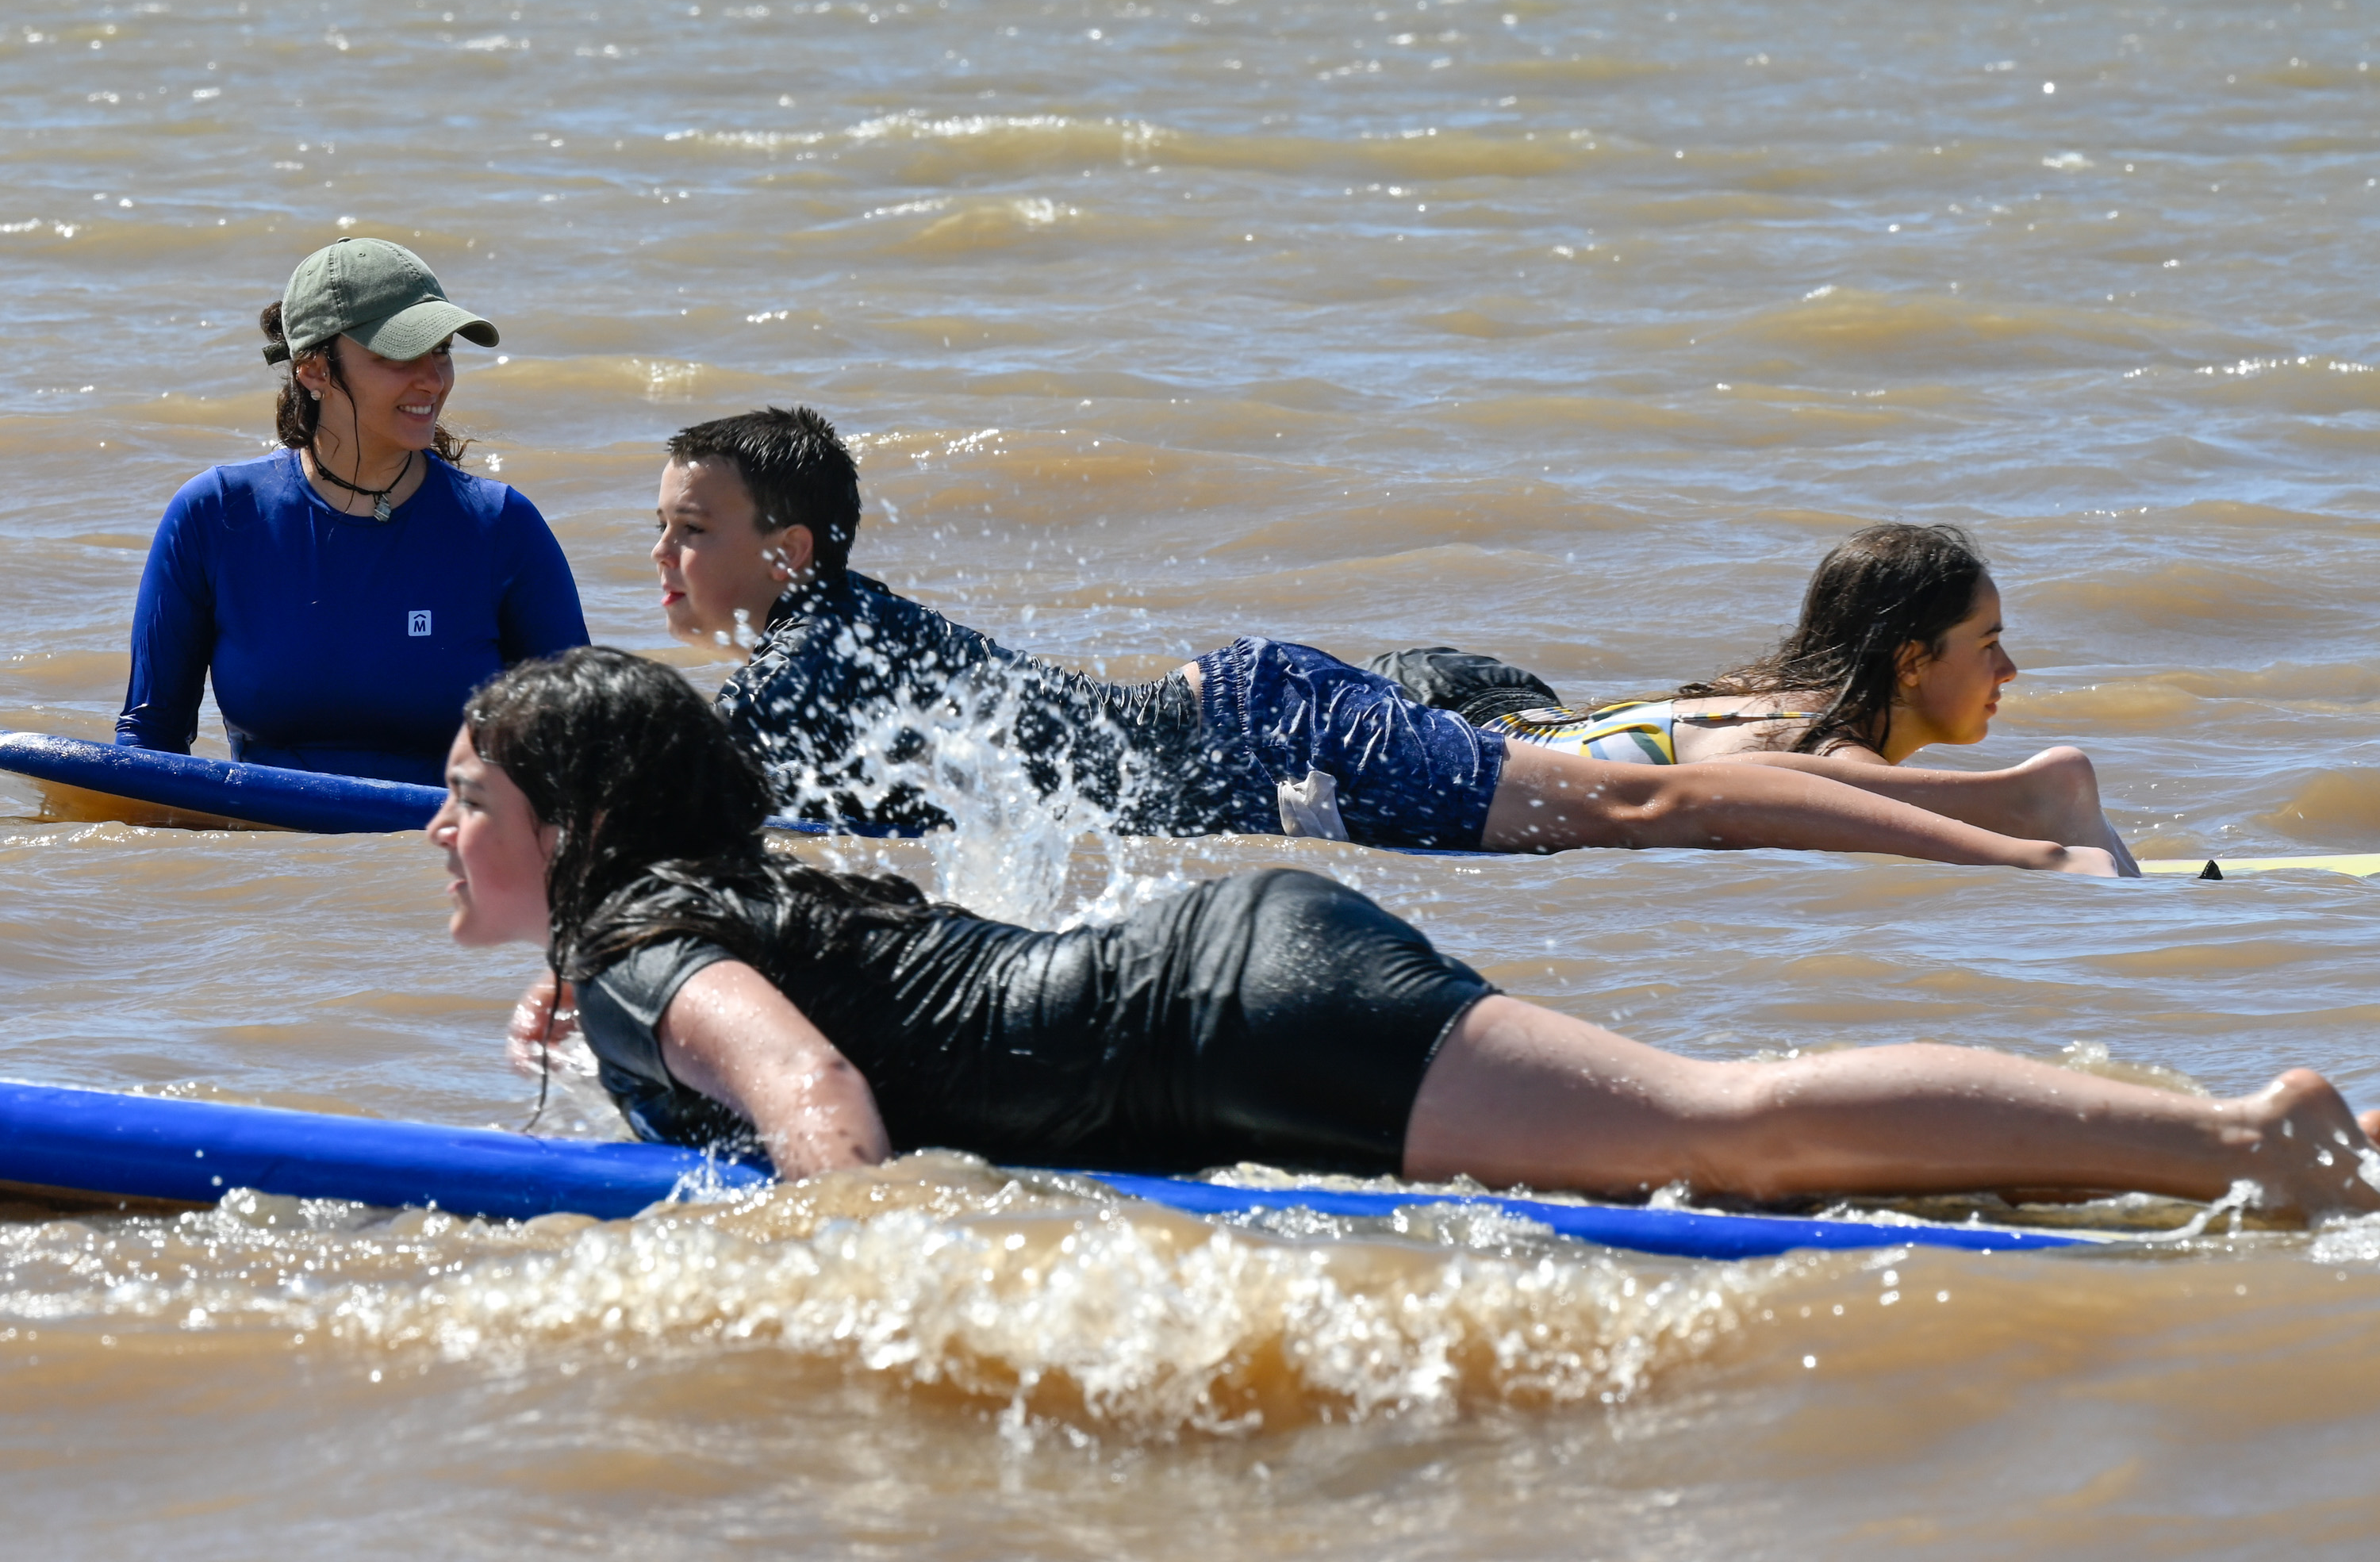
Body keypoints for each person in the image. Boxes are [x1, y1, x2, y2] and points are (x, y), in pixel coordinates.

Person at [428, 646, 2380, 1218]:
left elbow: (826, 1102)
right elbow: (860, 996)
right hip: (1238, 972)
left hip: (1253, 1025)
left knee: (1734, 1129)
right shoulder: (666, 926)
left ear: (582, 825)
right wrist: (608, 1014)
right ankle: (2183, 1141)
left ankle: (2241, 1135)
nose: (440, 826)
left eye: (467, 793)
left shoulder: (647, 948)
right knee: (1735, 1136)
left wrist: (832, 1308)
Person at [658, 406, 2116, 874]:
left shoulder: (807, 656)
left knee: (1649, 806)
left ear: (786, 551)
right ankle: (2015, 810)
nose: (662, 561)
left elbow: (677, 793)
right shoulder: (834, 632)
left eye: (689, 531)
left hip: (1275, 732)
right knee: (1647, 798)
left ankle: (2023, 817)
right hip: (1266, 715)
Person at [1368, 523, 2138, 873]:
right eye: (1988, 641)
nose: (2009, 668)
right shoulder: (1808, 745)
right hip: (1449, 734)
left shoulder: (1789, 701)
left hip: (1486, 697)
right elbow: (1849, 800)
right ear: (1911, 660)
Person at [114, 237, 588, 785]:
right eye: (400, 355)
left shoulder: (501, 527)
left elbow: (580, 747)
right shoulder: (216, 515)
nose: (433, 380)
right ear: (314, 371)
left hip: (438, 858)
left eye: (442, 351)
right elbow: (149, 741)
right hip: (273, 860)